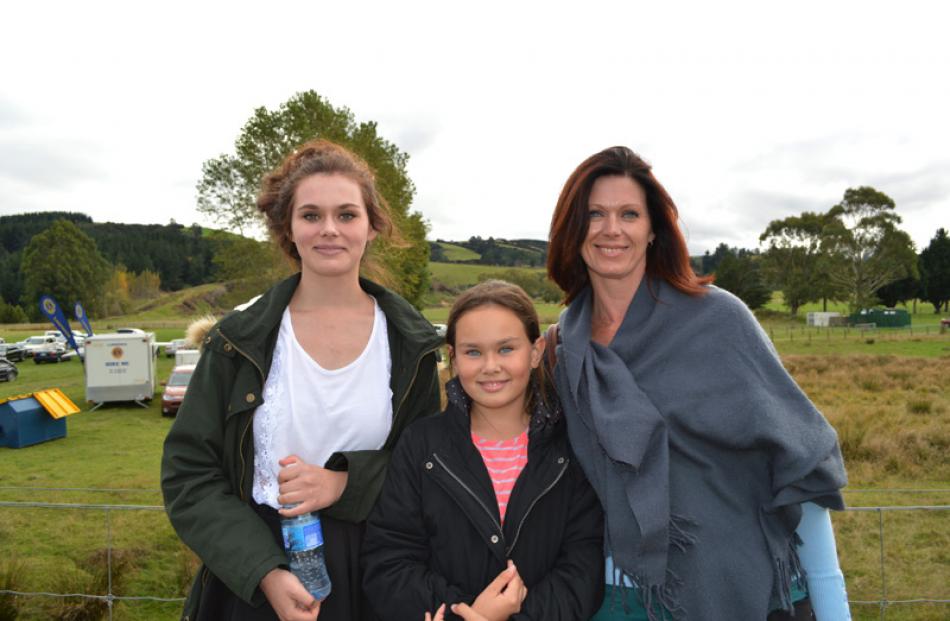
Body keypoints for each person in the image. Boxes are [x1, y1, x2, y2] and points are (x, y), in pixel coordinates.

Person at [545, 146, 851, 621]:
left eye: (629, 214)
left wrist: (834, 609)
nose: (612, 229)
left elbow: (798, 463)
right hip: (612, 595)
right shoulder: (564, 344)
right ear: (573, 229)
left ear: (652, 230)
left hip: (741, 587)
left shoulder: (719, 319)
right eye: (594, 214)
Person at [161, 139, 442, 621]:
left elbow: (431, 465)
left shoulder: (410, 344)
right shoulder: (237, 340)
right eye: (311, 215)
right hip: (257, 580)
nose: (329, 229)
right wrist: (265, 572)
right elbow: (189, 475)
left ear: (372, 226)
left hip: (378, 576)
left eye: (347, 215)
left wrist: (343, 483)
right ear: (288, 229)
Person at [361, 280, 605, 620]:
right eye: (473, 352)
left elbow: (582, 569)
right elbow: (389, 562)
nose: (490, 366)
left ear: (535, 352)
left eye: (506, 349)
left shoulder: (569, 448)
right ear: (454, 359)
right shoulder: (421, 446)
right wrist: (464, 616)